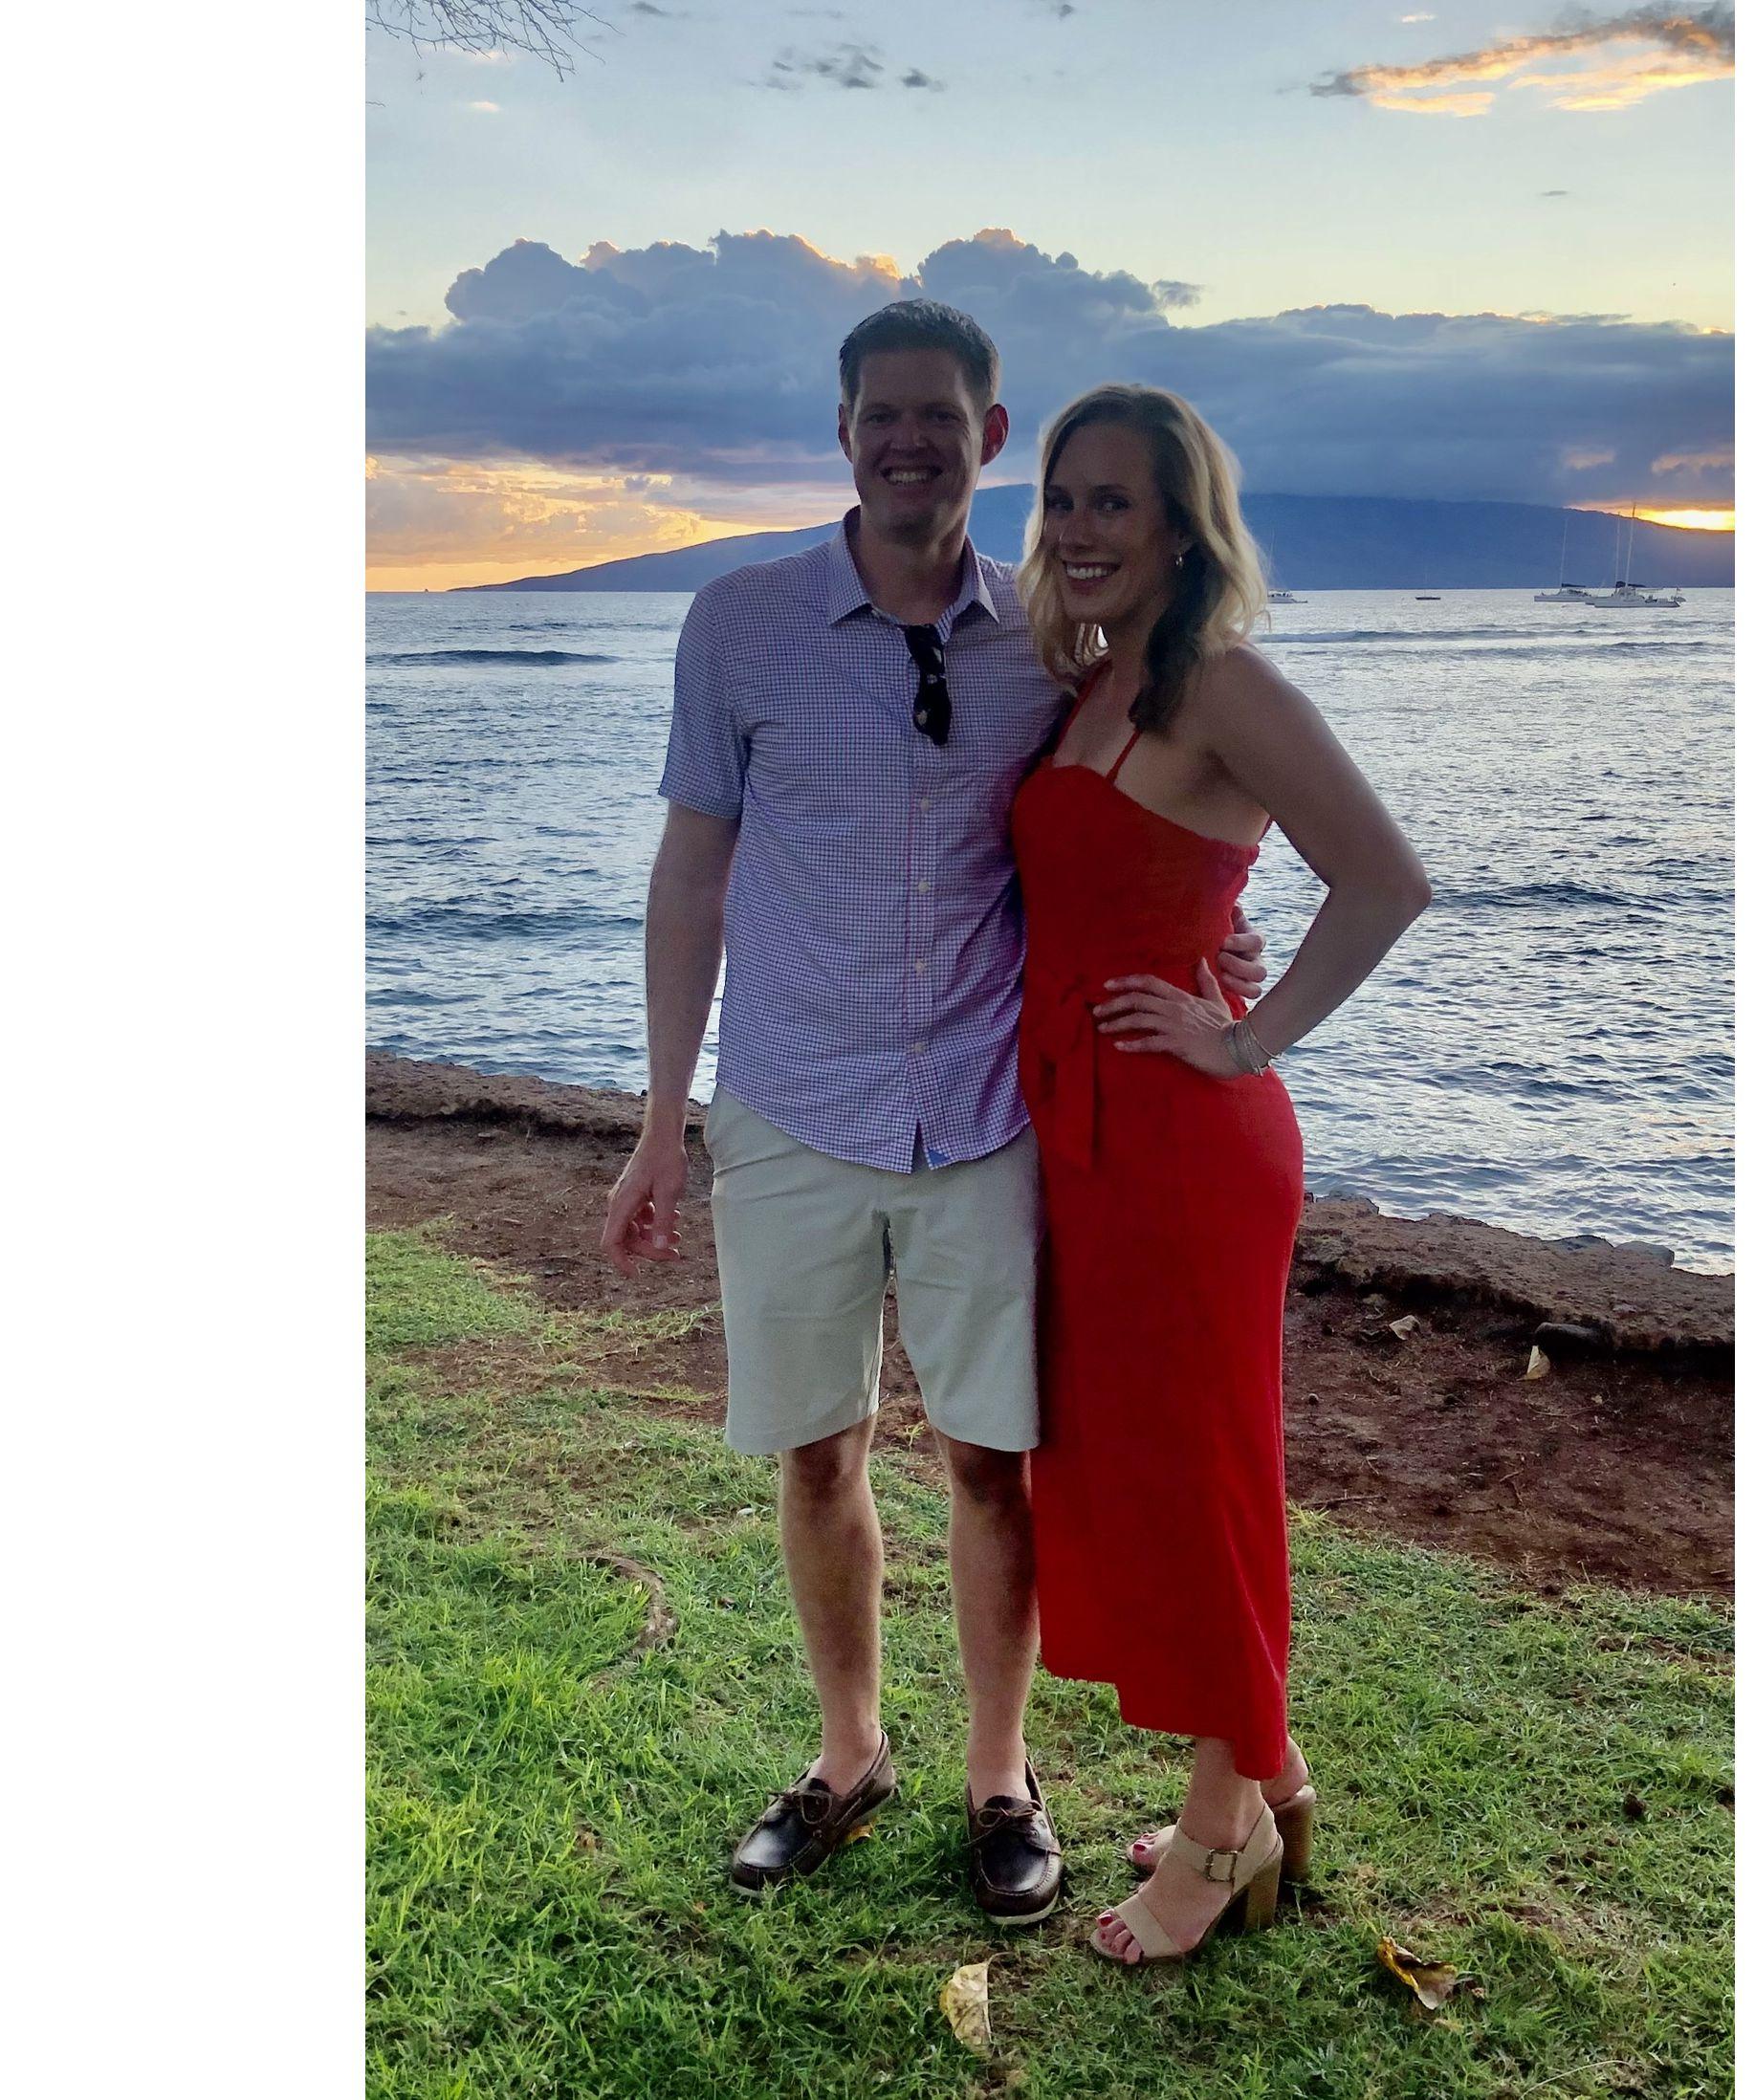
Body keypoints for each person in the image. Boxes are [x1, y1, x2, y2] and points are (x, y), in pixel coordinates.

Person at [598, 304, 1265, 1926]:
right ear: (843, 432)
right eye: (882, 414)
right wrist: (660, 1117)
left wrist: (1216, 939)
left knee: (990, 1458)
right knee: (817, 1447)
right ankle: (848, 1756)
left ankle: (999, 1776)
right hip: (790, 1104)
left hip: (982, 1108)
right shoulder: (737, 624)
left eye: (941, 416)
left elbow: (1141, 806)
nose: (910, 441)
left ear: (989, 435)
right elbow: (691, 876)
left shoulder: (1052, 639)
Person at [1009, 383, 1433, 1966]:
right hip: (1083, 1140)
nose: (1079, 528)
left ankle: (1221, 1831)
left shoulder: (1223, 682)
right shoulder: (1090, 680)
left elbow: (1384, 879)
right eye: (1062, 498)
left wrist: (1246, 1037)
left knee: (1202, 1475)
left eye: (1113, 501)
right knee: (1138, 1463)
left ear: (1183, 528)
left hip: (1186, 1146)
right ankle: (1274, 1771)